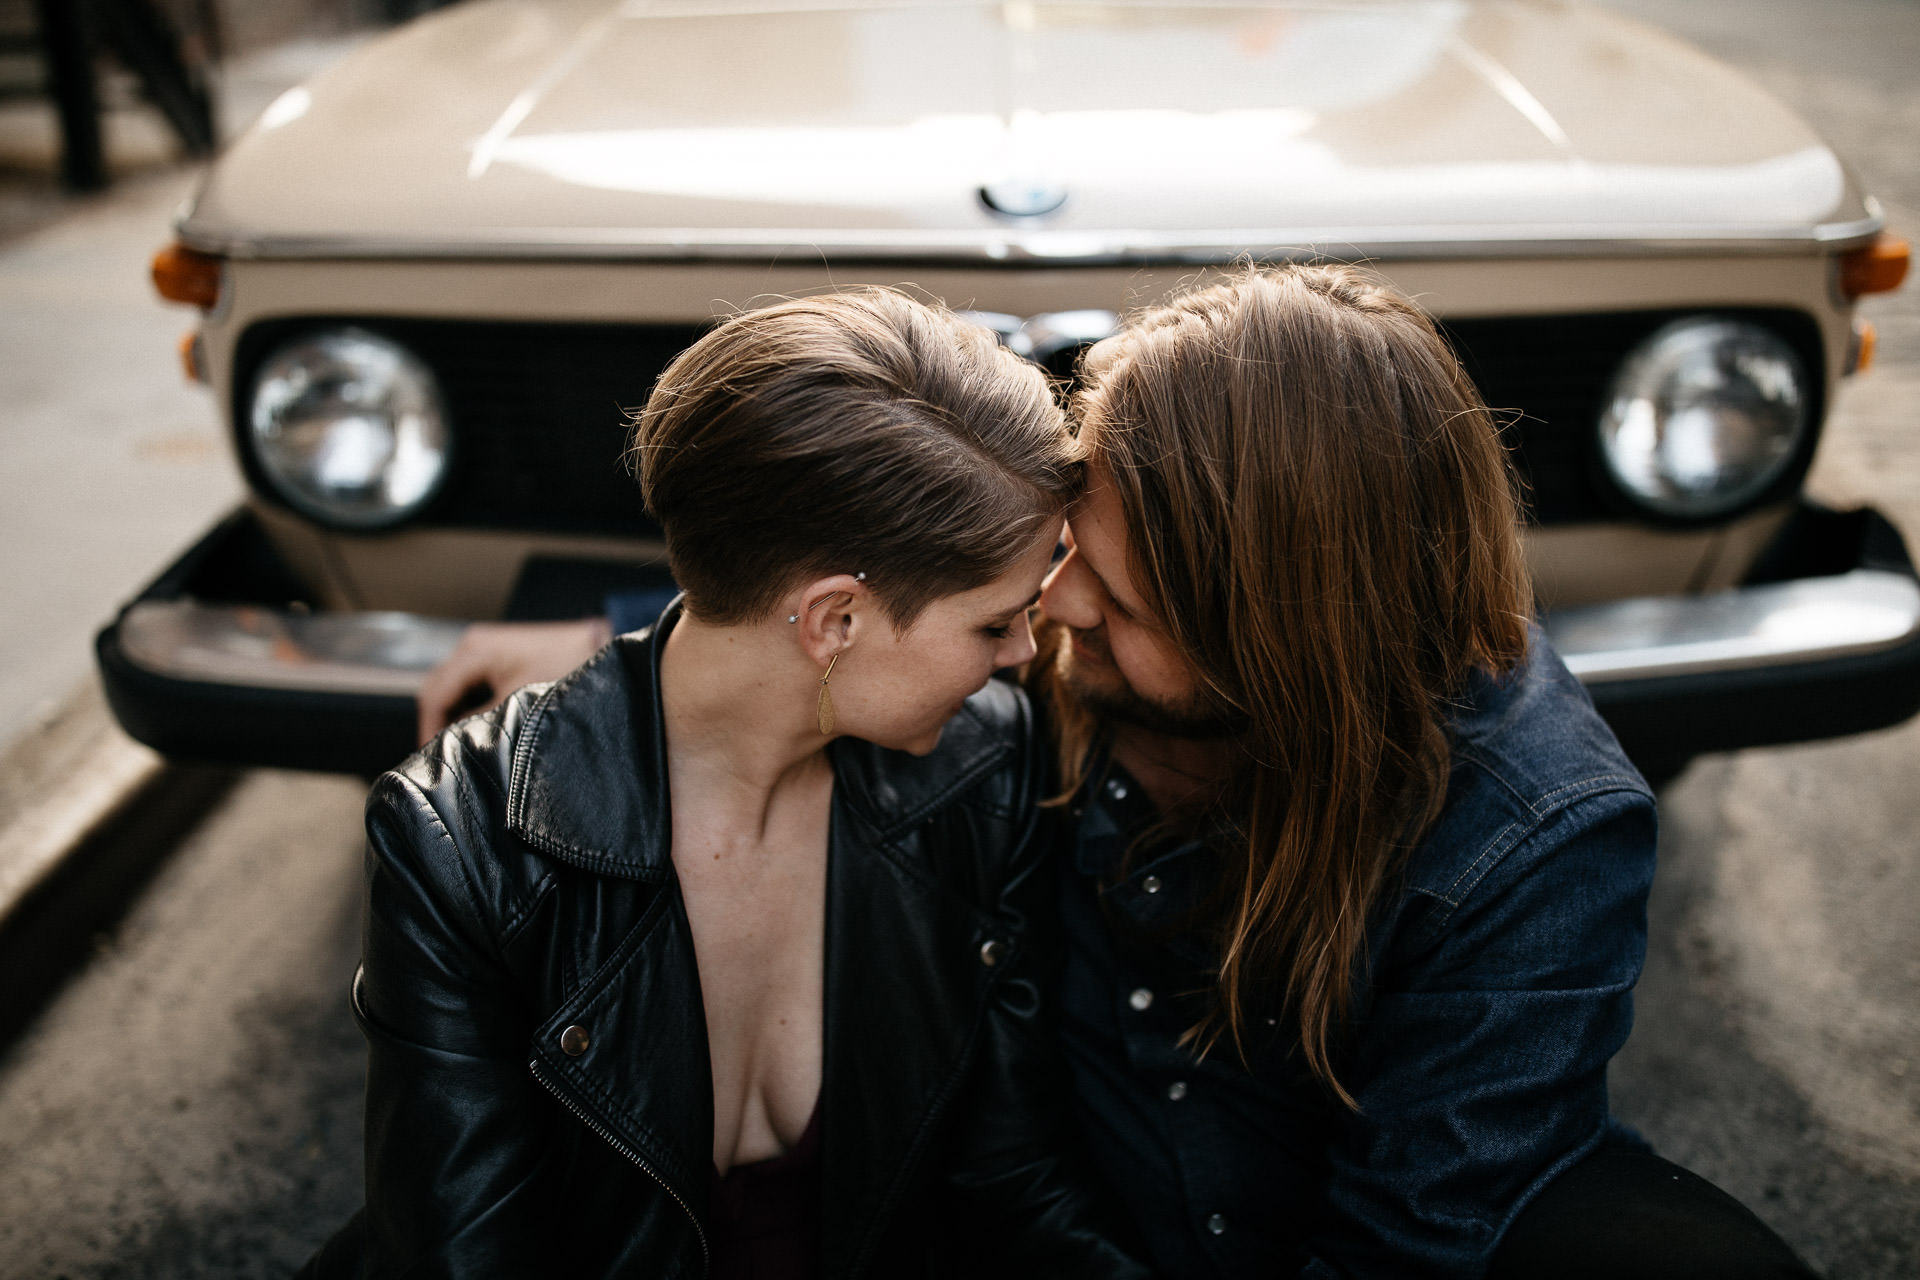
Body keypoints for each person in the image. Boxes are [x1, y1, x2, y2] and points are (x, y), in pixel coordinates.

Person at [415, 267, 1816, 1278]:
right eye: (1065, 556)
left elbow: (1411, 1242)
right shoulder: (1043, 671)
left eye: (1119, 606)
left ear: (1281, 642)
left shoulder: (1535, 840)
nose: (1059, 616)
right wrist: (630, 642)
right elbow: (855, 577)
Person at [304, 288, 1151, 1279]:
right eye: (992, 622)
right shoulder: (462, 844)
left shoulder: (983, 767)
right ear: (834, 619)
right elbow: (470, 1255)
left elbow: (1008, 1175)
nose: (1023, 655)